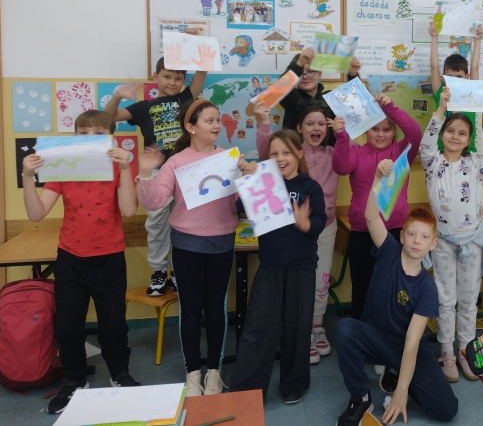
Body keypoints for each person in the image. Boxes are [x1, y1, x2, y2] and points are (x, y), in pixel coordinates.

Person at [21, 110, 140, 414]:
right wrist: (28, 177)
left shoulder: (116, 167)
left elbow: (128, 210)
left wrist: (125, 168)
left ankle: (119, 373)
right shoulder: (63, 168)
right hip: (71, 259)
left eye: (98, 134)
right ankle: (74, 380)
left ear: (110, 138)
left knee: (114, 325)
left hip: (109, 258)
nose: (90, 139)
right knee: (67, 327)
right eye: (83, 133)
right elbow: (36, 214)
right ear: (74, 137)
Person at [334, 159, 458, 426]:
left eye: (424, 237)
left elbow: (412, 342)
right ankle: (360, 396)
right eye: (411, 234)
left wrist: (402, 392)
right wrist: (378, 179)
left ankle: (399, 375)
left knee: (447, 409)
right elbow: (370, 216)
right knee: (344, 329)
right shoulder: (389, 251)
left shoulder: (427, 289)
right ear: (402, 236)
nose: (416, 241)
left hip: (407, 348)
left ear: (433, 244)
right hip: (377, 338)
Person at [136, 99, 239, 397]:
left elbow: (240, 201)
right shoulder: (177, 161)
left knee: (217, 309)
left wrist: (249, 176)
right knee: (191, 310)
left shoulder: (230, 157)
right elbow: (155, 201)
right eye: (209, 120)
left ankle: (214, 373)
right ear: (190, 127)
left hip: (221, 243)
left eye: (218, 120)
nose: (216, 125)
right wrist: (146, 174)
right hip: (186, 245)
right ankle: (193, 372)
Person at [420, 87, 483, 383]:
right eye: (450, 131)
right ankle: (447, 352)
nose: (455, 136)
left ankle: (466, 350)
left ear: (469, 139)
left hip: (472, 241)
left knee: (469, 299)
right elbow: (426, 142)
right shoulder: (432, 161)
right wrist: (440, 110)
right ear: (442, 133)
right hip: (443, 242)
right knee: (446, 299)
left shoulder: (475, 163)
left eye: (462, 133)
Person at [229, 129, 326, 404]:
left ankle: (294, 384)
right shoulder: (264, 181)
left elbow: (319, 221)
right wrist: (249, 178)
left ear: (299, 153)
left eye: (286, 152)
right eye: (274, 153)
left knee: (297, 329)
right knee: (259, 328)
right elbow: (241, 206)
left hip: (302, 268)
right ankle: (247, 389)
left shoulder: (310, 187)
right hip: (270, 266)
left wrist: (305, 224)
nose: (280, 158)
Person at [104, 58, 207, 296]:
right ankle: (159, 271)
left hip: (185, 170)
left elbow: (201, 72)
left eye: (178, 78)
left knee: (185, 223)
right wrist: (118, 95)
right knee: (157, 223)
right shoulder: (143, 107)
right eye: (167, 76)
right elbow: (108, 117)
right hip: (157, 172)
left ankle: (179, 271)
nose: (172, 82)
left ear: (184, 80)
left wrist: (196, 47)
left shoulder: (186, 99)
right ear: (155, 76)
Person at [254, 101, 339, 366]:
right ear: (299, 128)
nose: (316, 128)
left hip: (325, 226)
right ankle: (301, 334)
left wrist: (344, 133)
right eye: (310, 123)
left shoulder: (333, 153)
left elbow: (348, 159)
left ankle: (316, 326)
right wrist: (263, 122)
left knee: (320, 281)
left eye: (322, 124)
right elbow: (267, 153)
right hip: (290, 235)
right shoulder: (291, 153)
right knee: (296, 288)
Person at [331, 95, 421, 321]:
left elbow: (415, 132)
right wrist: (341, 137)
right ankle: (359, 334)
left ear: (394, 131)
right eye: (375, 129)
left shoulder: (402, 152)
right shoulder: (357, 152)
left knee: (394, 289)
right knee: (362, 288)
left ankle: (390, 333)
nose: (381, 134)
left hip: (395, 232)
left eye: (386, 130)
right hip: (362, 233)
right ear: (365, 131)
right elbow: (340, 167)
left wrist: (390, 108)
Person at [428, 21, 483, 153]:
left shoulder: (472, 92)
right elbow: (434, 67)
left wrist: (477, 41)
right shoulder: (441, 93)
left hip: (467, 152)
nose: (455, 80)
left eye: (459, 76)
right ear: (444, 77)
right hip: (442, 151)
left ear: (467, 76)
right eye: (450, 76)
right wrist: (434, 37)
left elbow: (475, 68)